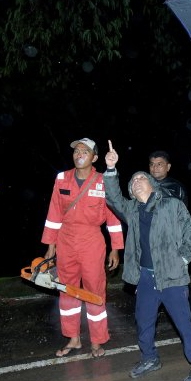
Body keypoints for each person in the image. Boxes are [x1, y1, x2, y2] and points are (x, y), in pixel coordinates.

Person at [103, 140, 191, 381]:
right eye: (133, 181)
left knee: (184, 324)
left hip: (172, 276)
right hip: (145, 277)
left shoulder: (171, 205)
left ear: (152, 184)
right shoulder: (132, 210)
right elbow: (112, 197)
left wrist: (183, 259)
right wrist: (110, 169)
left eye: (142, 178)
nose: (137, 181)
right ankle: (150, 358)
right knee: (144, 321)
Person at [41, 137, 124, 358]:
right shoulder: (62, 179)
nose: (79, 154)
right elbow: (54, 213)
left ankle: (97, 341)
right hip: (65, 240)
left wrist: (115, 248)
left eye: (84, 151)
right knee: (67, 292)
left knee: (94, 291)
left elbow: (113, 217)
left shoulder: (102, 181)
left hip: (91, 241)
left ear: (94, 157)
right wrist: (50, 246)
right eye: (76, 151)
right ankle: (74, 338)